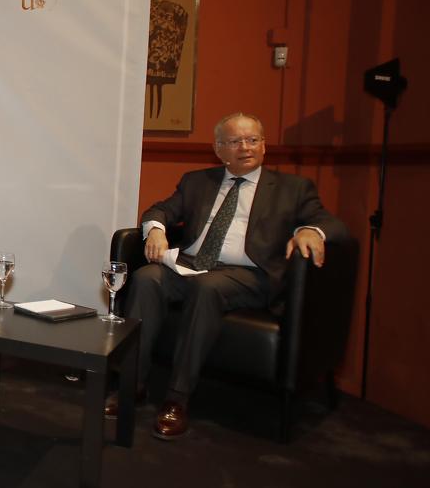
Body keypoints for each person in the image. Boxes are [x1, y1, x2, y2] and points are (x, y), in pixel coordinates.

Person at [113, 112, 347, 439]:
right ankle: (132, 385)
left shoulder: (292, 188)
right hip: (192, 265)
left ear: (264, 146)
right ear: (219, 149)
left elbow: (333, 223)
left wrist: (310, 230)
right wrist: (155, 231)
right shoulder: (197, 181)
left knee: (207, 288)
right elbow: (160, 210)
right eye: (235, 141)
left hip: (250, 274)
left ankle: (177, 399)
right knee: (146, 278)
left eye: (253, 140)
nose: (246, 147)